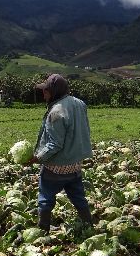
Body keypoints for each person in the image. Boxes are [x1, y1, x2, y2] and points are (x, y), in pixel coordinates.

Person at [28, 74, 94, 233]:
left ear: (54, 91)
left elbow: (55, 144)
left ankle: (43, 228)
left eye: (46, 91)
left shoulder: (56, 112)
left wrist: (37, 158)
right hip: (75, 163)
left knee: (45, 196)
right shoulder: (80, 103)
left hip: (57, 166)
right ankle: (88, 223)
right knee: (78, 195)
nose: (43, 94)